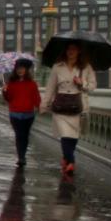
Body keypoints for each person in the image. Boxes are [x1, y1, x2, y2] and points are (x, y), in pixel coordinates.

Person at [41, 43, 96, 176]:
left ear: (79, 51)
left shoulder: (86, 67)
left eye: (74, 49)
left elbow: (93, 86)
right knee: (65, 135)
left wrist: (82, 83)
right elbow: (50, 87)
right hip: (61, 106)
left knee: (73, 136)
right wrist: (44, 104)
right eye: (69, 49)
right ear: (65, 51)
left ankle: (66, 158)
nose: (71, 51)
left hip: (78, 106)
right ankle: (71, 161)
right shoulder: (57, 67)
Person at [1, 57, 40, 166]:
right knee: (19, 135)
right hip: (15, 113)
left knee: (25, 135)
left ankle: (22, 154)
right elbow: (8, 98)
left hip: (28, 114)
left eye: (22, 68)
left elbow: (36, 97)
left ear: (26, 70)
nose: (20, 70)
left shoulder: (32, 84)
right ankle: (21, 157)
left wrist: (39, 106)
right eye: (18, 68)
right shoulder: (11, 84)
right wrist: (4, 91)